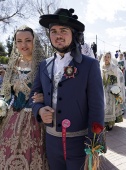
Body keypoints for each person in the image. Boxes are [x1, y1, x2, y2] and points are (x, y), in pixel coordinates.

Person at [29, 8, 104, 170]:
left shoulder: (89, 65)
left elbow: (97, 107)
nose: (58, 36)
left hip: (79, 143)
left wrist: (93, 145)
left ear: (74, 34)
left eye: (64, 30)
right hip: (51, 142)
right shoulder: (44, 65)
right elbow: (33, 97)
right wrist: (40, 110)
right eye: (54, 31)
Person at [0, 26, 49, 169]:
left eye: (28, 40)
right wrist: (3, 104)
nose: (23, 45)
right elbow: (7, 93)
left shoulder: (43, 64)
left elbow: (52, 90)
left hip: (34, 117)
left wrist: (44, 97)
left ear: (34, 41)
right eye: (19, 41)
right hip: (12, 117)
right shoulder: (13, 64)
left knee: (32, 155)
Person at [100, 52, 123, 131]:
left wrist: (116, 89)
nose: (106, 58)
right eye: (105, 56)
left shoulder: (113, 67)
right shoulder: (101, 67)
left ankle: (110, 123)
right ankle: (104, 122)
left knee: (110, 106)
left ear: (110, 58)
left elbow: (116, 78)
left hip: (110, 89)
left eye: (108, 57)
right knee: (104, 106)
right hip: (103, 89)